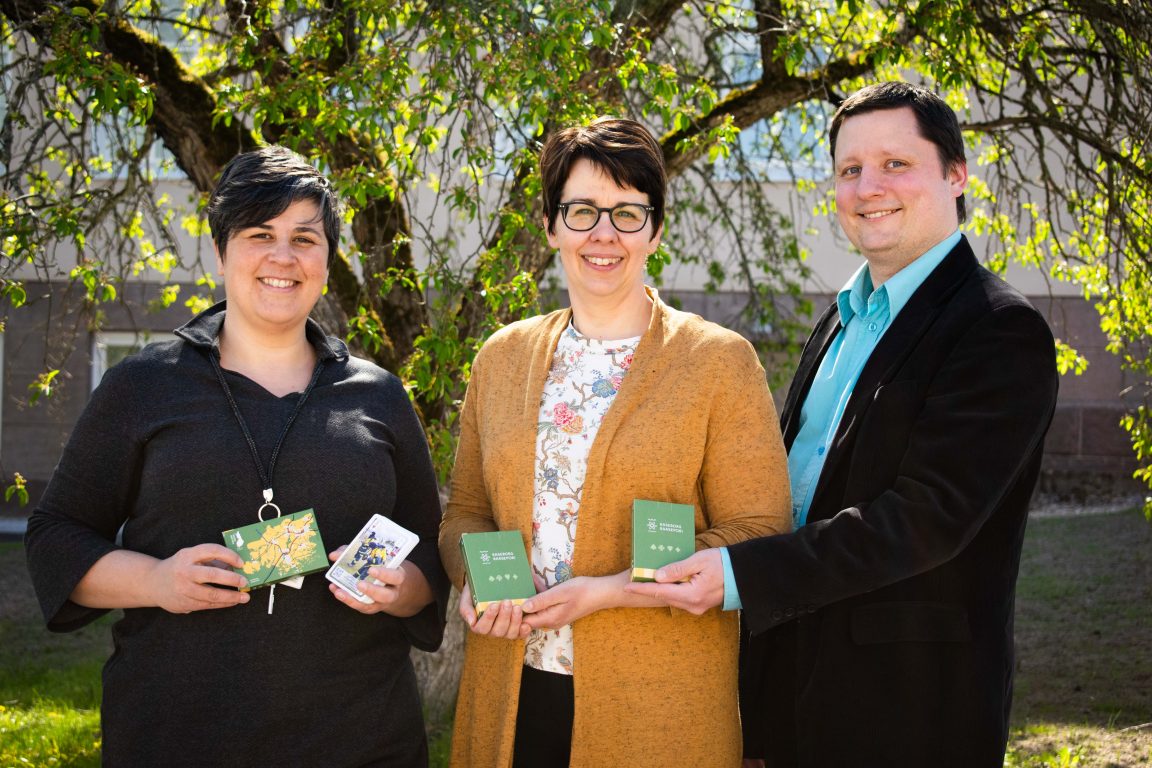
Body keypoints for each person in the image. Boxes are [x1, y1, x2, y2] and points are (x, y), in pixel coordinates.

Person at [627, 82, 1060, 767]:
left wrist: (737, 572)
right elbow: (795, 493)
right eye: (849, 169)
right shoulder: (839, 319)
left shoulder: (999, 331)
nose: (867, 187)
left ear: (955, 174)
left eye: (895, 164)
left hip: (905, 718)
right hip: (785, 698)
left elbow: (924, 520)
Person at [24, 145, 449, 767]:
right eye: (260, 234)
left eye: (305, 238)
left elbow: (433, 555)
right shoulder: (143, 385)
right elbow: (54, 536)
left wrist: (402, 588)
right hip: (177, 734)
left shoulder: (378, 394)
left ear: (328, 260)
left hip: (360, 736)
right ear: (222, 252)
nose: (283, 257)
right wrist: (154, 580)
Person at [438, 117, 792, 768]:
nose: (604, 234)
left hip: (660, 703)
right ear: (550, 226)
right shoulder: (501, 358)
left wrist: (614, 589)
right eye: (581, 211)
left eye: (628, 213)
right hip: (512, 695)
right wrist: (476, 579)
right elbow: (466, 513)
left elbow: (760, 533)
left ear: (655, 229)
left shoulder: (720, 363)